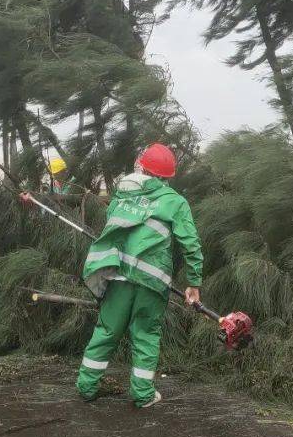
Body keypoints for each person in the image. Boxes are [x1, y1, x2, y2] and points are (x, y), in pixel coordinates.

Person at [76, 144, 203, 408]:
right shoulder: (175, 201)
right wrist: (194, 282)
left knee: (107, 331)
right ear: (168, 176)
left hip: (119, 276)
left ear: (141, 167)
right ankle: (143, 395)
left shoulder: (121, 197)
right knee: (145, 334)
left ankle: (86, 387)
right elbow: (190, 243)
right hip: (151, 282)